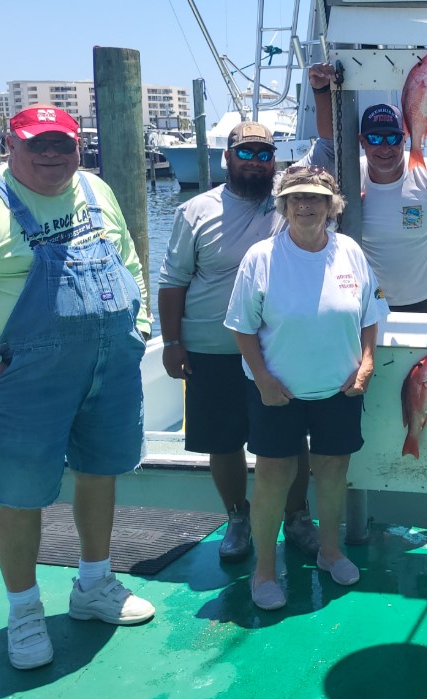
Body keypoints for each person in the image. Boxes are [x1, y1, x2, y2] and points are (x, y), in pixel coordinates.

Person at [0, 106, 155, 669]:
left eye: (62, 143)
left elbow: (129, 260)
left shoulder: (96, 189)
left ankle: (94, 584)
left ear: (78, 147)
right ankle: (24, 611)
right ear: (12, 146)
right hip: (22, 378)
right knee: (21, 495)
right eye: (37, 144)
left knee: (100, 472)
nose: (51, 154)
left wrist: (139, 324)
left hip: (110, 365)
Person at [159, 111, 331, 562]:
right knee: (223, 441)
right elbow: (173, 281)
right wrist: (172, 343)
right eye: (245, 152)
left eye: (264, 153)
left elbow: (329, 156)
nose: (255, 160)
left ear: (275, 160)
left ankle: (297, 516)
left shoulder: (287, 203)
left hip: (275, 350)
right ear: (227, 157)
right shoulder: (194, 210)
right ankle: (238, 516)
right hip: (212, 348)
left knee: (290, 439)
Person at [224, 166, 389, 610]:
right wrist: (262, 379)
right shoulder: (261, 257)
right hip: (277, 391)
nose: (305, 204)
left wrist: (367, 362)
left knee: (333, 472)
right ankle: (263, 571)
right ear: (283, 205)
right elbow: (241, 326)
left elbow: (371, 313)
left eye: (315, 197)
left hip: (339, 389)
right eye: (296, 197)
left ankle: (329, 551)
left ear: (332, 206)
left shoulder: (349, 251)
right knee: (273, 477)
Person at [307, 67, 427, 312]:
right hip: (370, 305)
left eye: (393, 138)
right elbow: (312, 224)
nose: (385, 147)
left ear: (405, 138)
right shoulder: (349, 180)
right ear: (362, 141)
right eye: (375, 138)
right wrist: (337, 214)